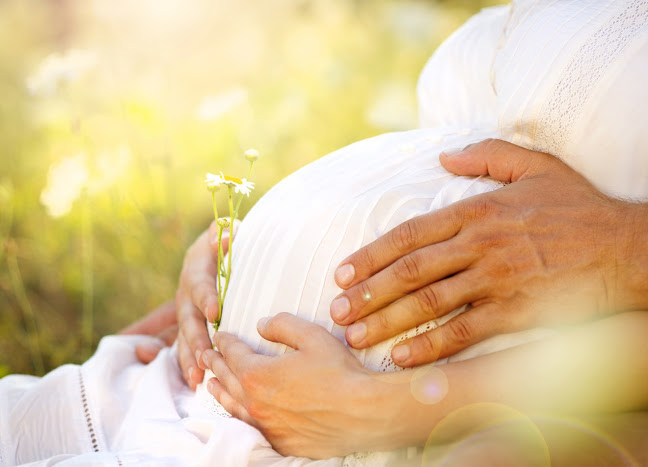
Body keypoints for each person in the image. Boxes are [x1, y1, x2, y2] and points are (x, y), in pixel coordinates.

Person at [2, 0, 647, 465]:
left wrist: (384, 409)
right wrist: (246, 251)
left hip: (333, 437)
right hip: (190, 390)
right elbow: (452, 177)